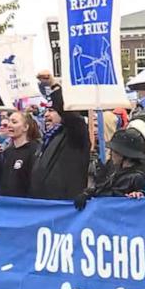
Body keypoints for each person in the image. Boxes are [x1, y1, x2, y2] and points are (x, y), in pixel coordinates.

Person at [29, 71, 90, 200]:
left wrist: (54, 85)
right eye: (45, 111)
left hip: (65, 207)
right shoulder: (48, 139)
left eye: (51, 111)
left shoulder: (75, 135)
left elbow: (71, 117)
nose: (46, 115)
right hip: (46, 207)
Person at [74, 128, 145, 210]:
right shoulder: (114, 169)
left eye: (114, 151)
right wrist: (87, 194)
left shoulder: (136, 178)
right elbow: (102, 187)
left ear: (123, 155)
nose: (110, 153)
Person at [0, 112, 41, 197]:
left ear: (25, 127)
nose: (9, 125)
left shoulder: (35, 151)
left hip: (23, 205)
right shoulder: (7, 151)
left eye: (14, 122)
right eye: (9, 121)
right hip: (5, 203)